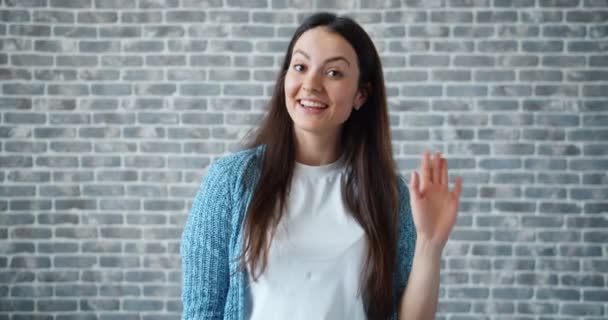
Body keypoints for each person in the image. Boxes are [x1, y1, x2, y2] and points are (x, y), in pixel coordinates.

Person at [180, 12, 462, 320]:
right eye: (300, 67)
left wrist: (430, 244)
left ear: (361, 95)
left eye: (334, 73)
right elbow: (202, 312)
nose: (311, 84)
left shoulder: (389, 195)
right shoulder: (231, 181)